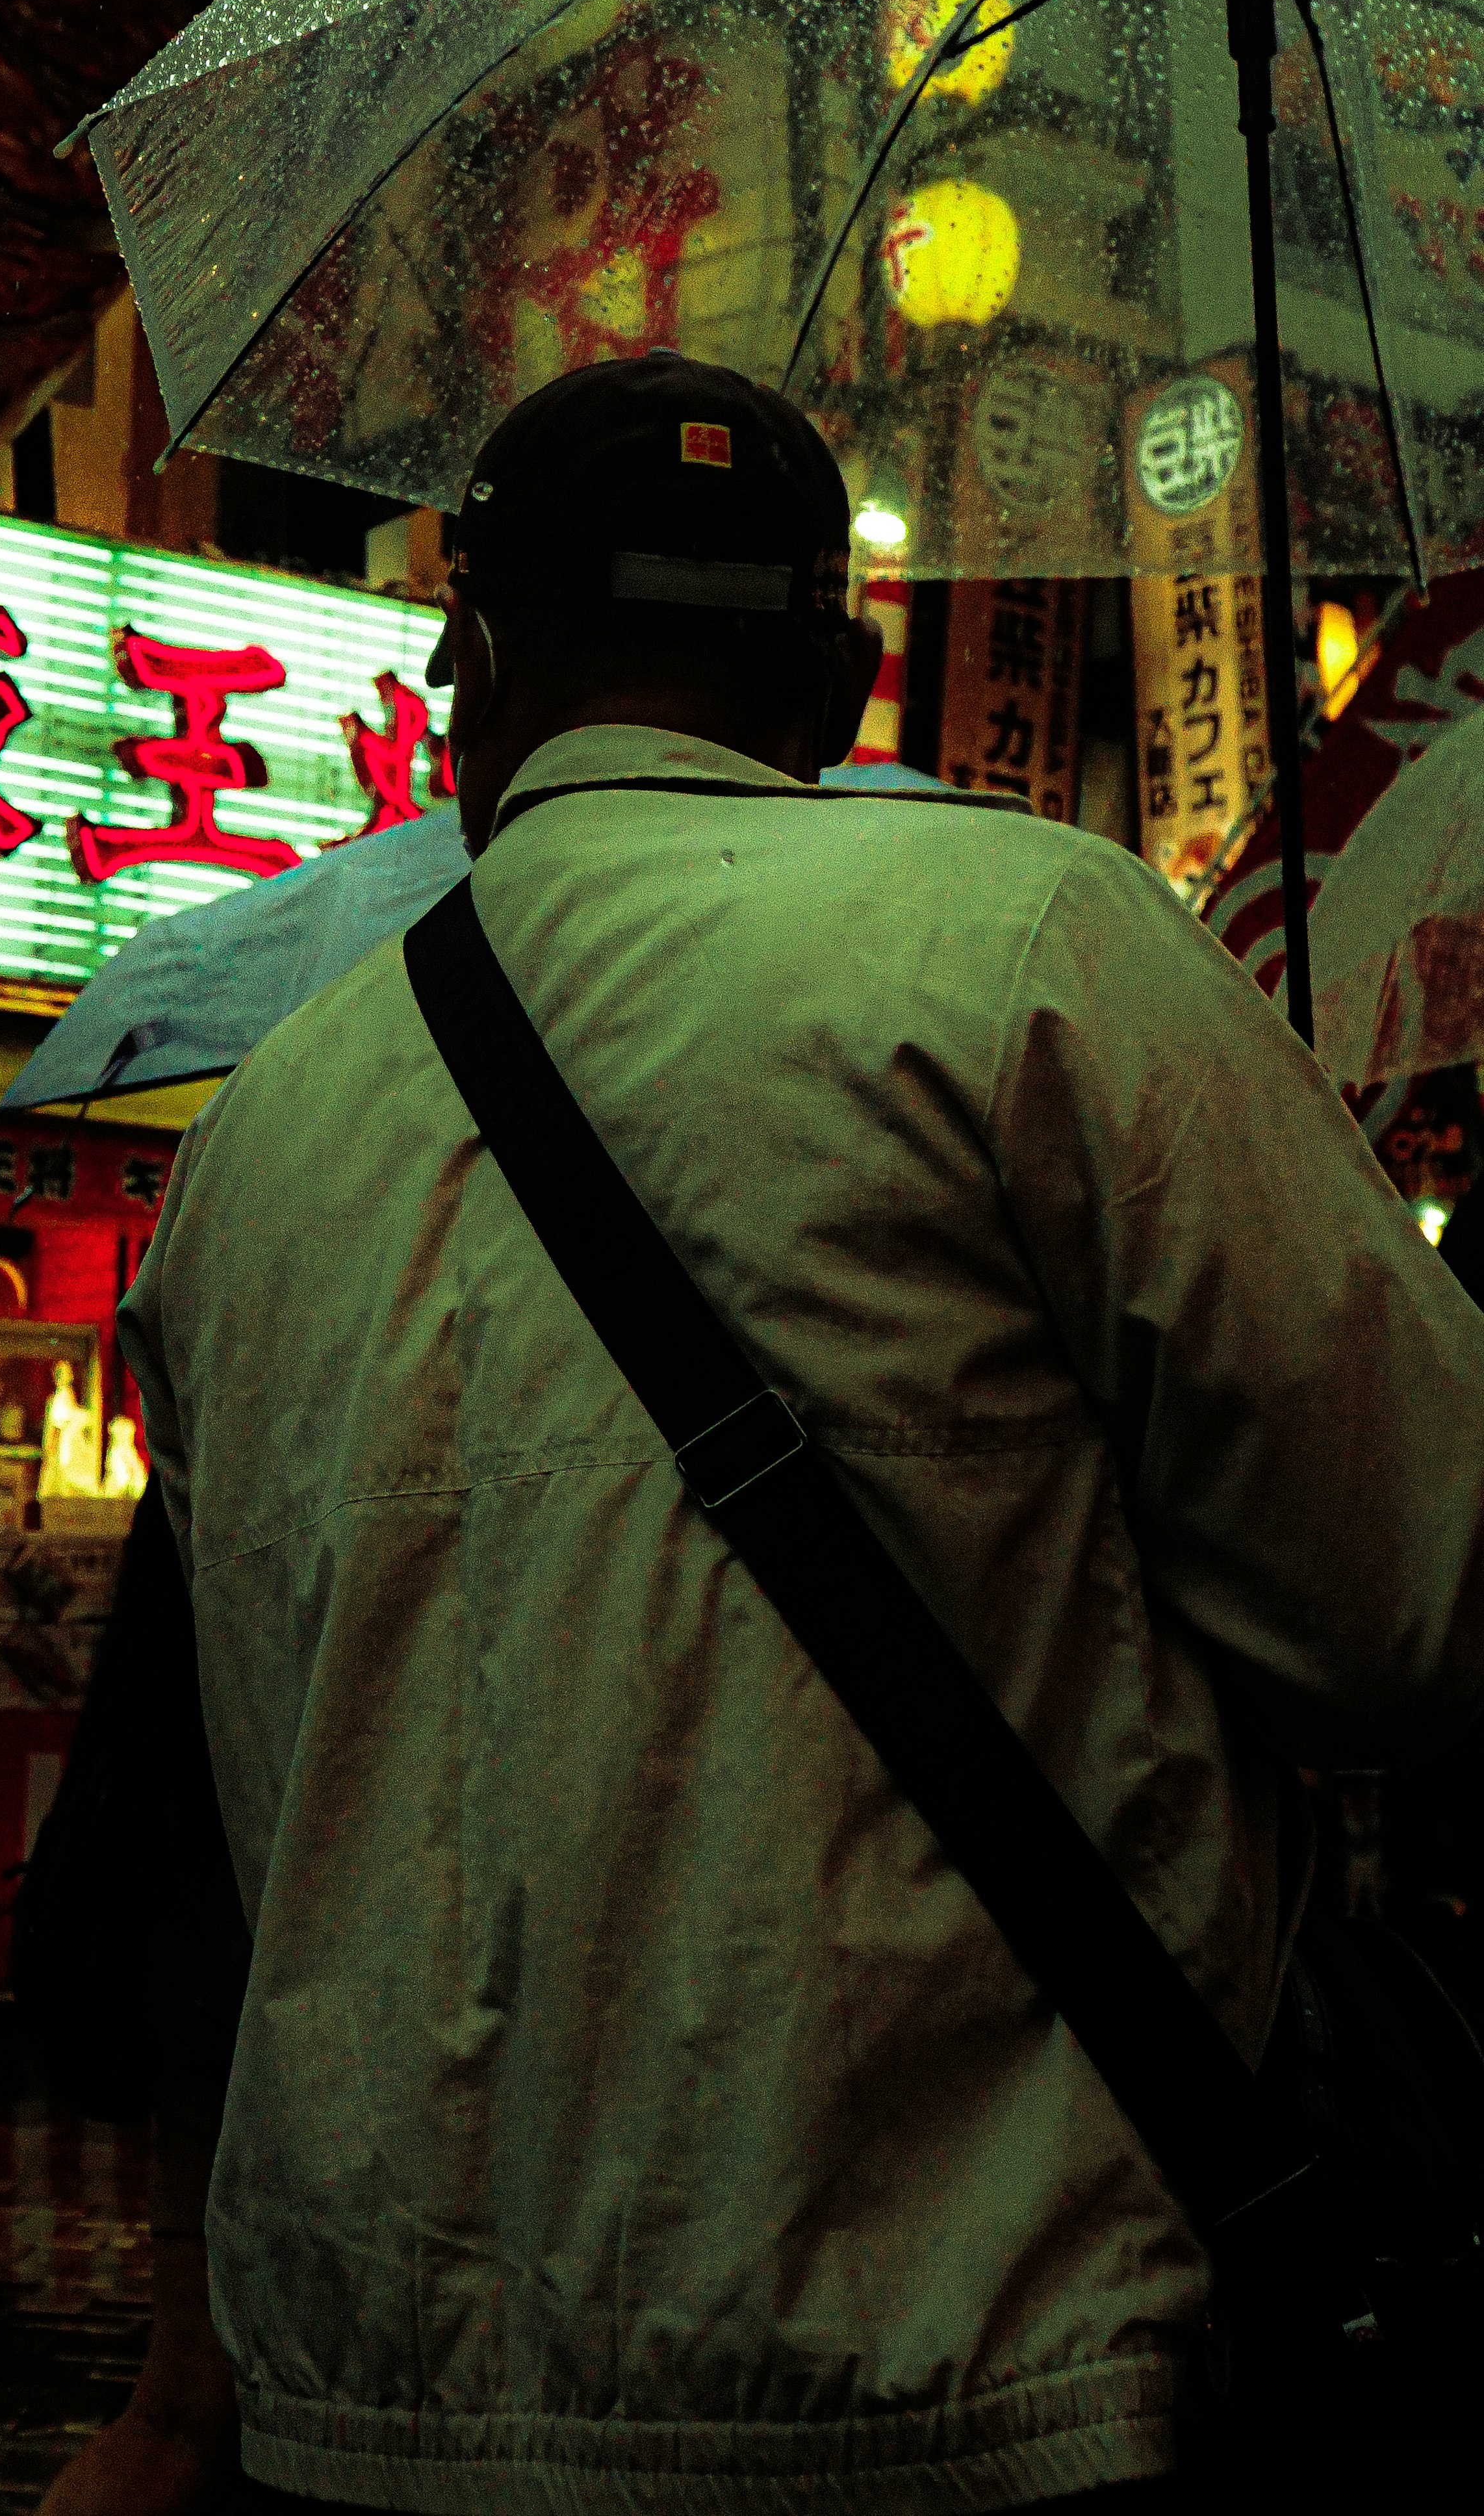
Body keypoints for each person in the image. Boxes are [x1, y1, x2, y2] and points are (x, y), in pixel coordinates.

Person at [113, 355, 1484, 2516]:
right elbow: (1415, 1602)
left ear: (467, 660)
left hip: (367, 2406)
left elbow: (228, 1801)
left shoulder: (254, 1138)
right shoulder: (1042, 945)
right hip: (977, 2384)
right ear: (846, 680)